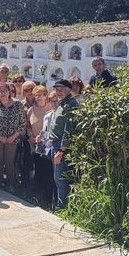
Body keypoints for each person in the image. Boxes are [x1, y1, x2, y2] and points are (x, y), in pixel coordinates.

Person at [0, 83, 26, 190]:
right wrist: (0, 137)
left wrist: (14, 136)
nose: (2, 93)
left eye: (5, 90)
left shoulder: (18, 105)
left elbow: (23, 124)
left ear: (9, 92)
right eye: (0, 91)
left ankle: (10, 184)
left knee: (9, 162)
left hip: (12, 139)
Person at [48, 79, 79, 209]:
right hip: (55, 144)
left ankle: (62, 207)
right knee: (58, 179)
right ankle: (61, 205)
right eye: (56, 89)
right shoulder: (62, 104)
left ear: (69, 89)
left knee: (61, 179)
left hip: (61, 147)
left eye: (61, 89)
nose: (58, 92)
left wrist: (61, 151)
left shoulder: (70, 105)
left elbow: (68, 130)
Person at [27, 86, 55, 203]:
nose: (39, 97)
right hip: (35, 142)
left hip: (48, 143)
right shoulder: (31, 110)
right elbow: (28, 125)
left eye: (41, 94)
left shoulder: (51, 108)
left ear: (46, 95)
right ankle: (38, 188)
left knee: (47, 168)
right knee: (38, 165)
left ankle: (47, 191)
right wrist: (31, 137)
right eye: (36, 95)